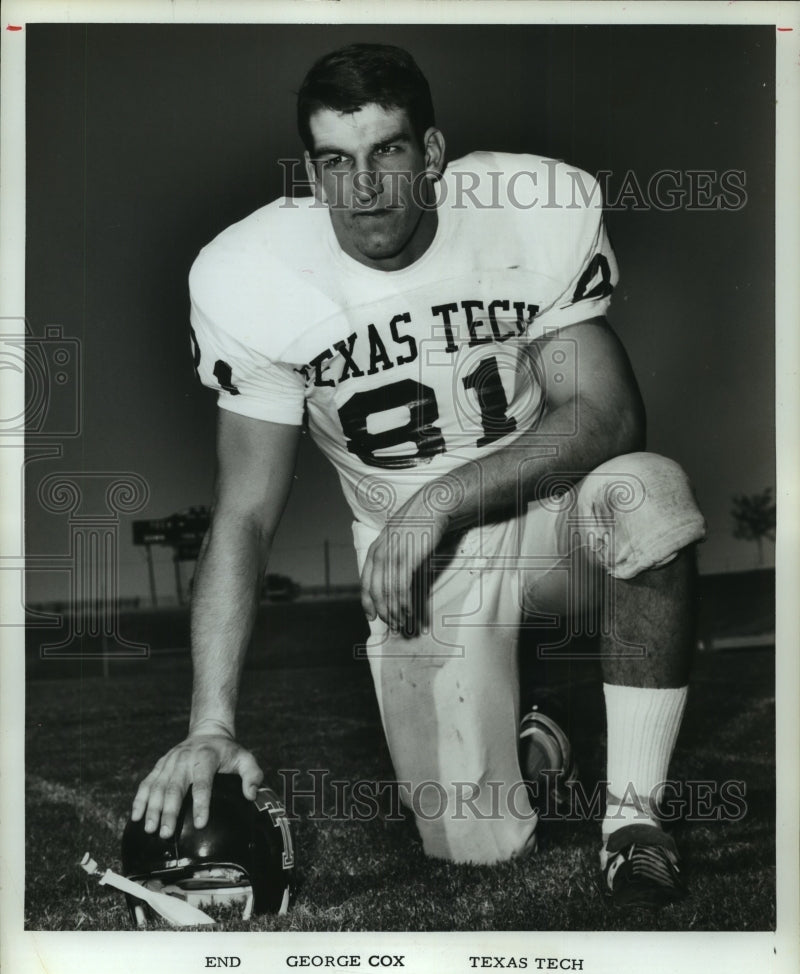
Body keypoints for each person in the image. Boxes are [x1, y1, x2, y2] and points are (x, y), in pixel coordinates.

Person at [131, 43, 706, 908]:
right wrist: (210, 723)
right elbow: (244, 514)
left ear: (431, 155)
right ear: (314, 172)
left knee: (647, 492)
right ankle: (536, 738)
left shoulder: (528, 209)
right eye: (335, 162)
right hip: (418, 572)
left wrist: (439, 500)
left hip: (540, 510)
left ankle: (633, 820)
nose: (363, 187)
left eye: (388, 152)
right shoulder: (249, 277)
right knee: (471, 846)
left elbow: (610, 415)